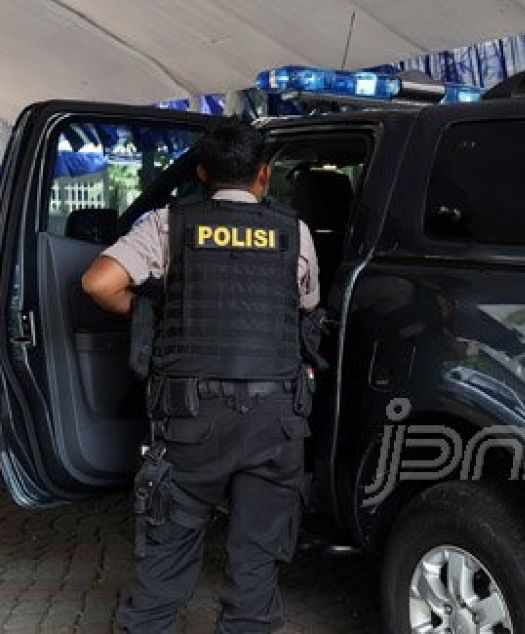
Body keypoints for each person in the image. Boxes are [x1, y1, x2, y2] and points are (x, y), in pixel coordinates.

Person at [81, 117, 321, 632]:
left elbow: (98, 282)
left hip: (191, 420)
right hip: (276, 424)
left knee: (165, 560)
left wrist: (154, 312)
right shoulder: (292, 231)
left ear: (202, 171)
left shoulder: (169, 224)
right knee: (257, 566)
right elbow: (306, 307)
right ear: (265, 174)